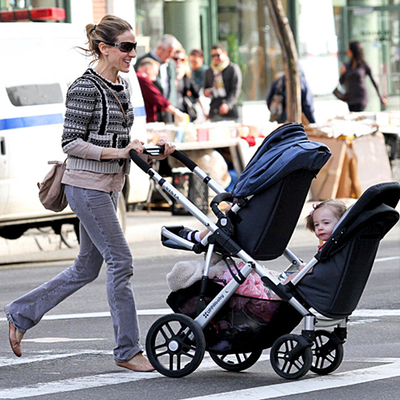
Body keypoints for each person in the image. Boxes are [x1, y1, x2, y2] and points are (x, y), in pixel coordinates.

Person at [5, 15, 176, 373]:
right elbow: (71, 142)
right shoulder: (85, 87)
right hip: (86, 186)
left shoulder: (123, 87)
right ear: (105, 48)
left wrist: (151, 151)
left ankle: (21, 313)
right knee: (121, 261)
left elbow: (117, 142)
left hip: (109, 186)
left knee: (87, 267)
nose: (133, 54)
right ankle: (127, 349)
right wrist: (118, 152)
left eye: (135, 47)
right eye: (126, 47)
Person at [135, 34, 180, 121]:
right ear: (160, 48)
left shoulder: (171, 64)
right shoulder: (142, 65)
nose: (171, 55)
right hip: (150, 111)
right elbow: (152, 93)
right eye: (169, 51)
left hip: (167, 111)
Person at [339, 40, 386, 112]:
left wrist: (381, 97)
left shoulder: (364, 65)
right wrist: (342, 74)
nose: (347, 51)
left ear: (353, 51)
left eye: (349, 49)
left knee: (358, 113)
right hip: (350, 99)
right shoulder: (347, 66)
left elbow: (374, 82)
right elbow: (341, 82)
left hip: (361, 97)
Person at [136, 57, 186, 123]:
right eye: (154, 74)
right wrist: (176, 111)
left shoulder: (136, 77)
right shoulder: (142, 78)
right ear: (148, 69)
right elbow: (157, 97)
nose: (154, 79)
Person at [204, 44, 242, 122]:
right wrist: (206, 92)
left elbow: (236, 90)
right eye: (213, 55)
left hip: (230, 111)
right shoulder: (209, 71)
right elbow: (206, 87)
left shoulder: (232, 69)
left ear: (225, 54)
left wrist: (228, 104)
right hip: (215, 109)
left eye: (218, 55)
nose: (215, 58)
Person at [173, 49, 200, 122]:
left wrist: (204, 109)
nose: (178, 61)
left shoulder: (186, 74)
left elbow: (195, 93)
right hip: (171, 109)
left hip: (183, 108)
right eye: (176, 59)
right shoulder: (168, 74)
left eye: (182, 59)